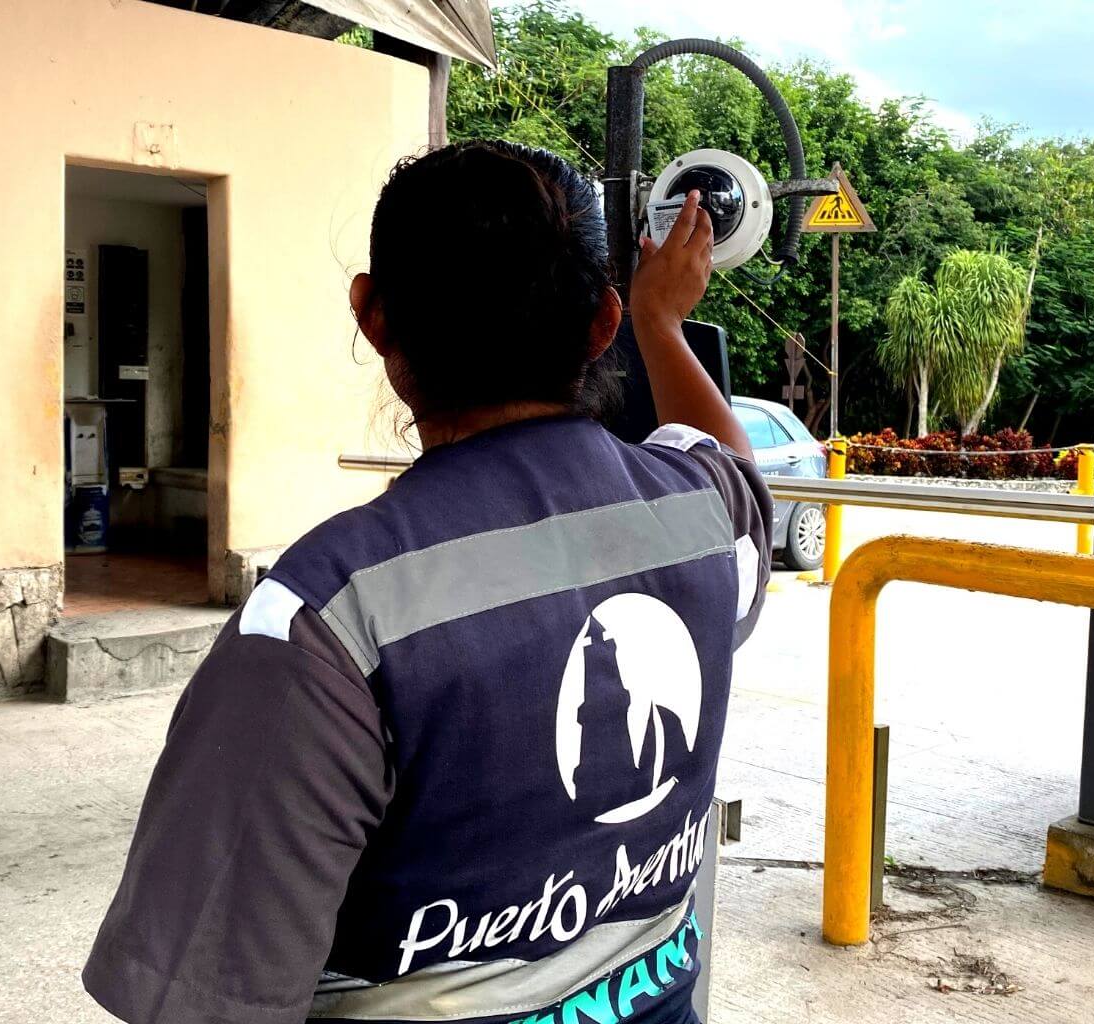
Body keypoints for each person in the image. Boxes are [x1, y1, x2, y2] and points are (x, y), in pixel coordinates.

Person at [83, 140, 770, 1024]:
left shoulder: (326, 618)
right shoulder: (699, 519)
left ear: (373, 317)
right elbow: (737, 465)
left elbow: (210, 1001)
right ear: (600, 325)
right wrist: (661, 324)